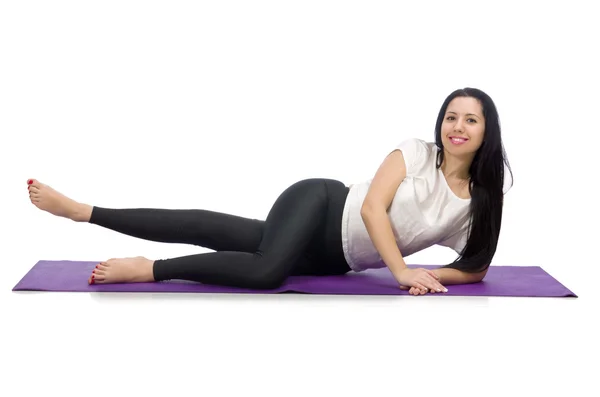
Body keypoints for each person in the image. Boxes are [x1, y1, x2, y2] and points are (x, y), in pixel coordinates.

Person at [26, 87, 512, 296]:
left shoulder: (481, 202)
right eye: (452, 116)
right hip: (318, 205)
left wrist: (430, 274)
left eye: (470, 119)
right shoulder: (415, 152)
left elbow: (477, 267)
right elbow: (370, 208)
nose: (457, 126)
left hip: (331, 259)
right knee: (266, 271)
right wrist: (402, 270)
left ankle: (86, 211)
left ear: (486, 131)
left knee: (217, 230)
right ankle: (142, 264)